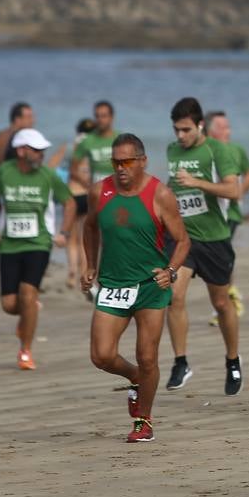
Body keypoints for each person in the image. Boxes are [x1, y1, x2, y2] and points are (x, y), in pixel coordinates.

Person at [82, 134, 188, 443]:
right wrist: (90, 265)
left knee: (148, 356)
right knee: (101, 356)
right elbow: (89, 227)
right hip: (113, 285)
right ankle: (136, 379)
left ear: (142, 161)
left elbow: (182, 240)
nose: (120, 168)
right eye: (115, 162)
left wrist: (171, 271)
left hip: (149, 286)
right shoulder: (99, 191)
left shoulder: (160, 194)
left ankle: (143, 419)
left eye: (127, 162)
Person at [165, 99, 242, 394]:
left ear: (200, 126)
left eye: (186, 130)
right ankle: (180, 362)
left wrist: (197, 182)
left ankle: (233, 360)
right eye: (176, 130)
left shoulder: (216, 150)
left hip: (214, 239)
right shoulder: (172, 150)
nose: (180, 136)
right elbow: (174, 189)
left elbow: (233, 190)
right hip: (183, 239)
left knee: (221, 303)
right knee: (174, 296)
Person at [0, 127, 75, 370]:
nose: (42, 155)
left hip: (39, 243)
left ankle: (25, 351)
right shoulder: (4, 172)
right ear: (21, 150)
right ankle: (29, 311)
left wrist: (64, 233)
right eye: (37, 150)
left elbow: (69, 202)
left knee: (28, 291)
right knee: (10, 305)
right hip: (9, 245)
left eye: (43, 150)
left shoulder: (47, 175)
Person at [207, 110, 249, 319]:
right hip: (208, 214)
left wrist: (240, 191)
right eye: (223, 127)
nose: (229, 131)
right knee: (216, 256)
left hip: (231, 213)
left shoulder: (236, 150)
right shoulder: (203, 150)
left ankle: (229, 298)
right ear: (210, 131)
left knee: (223, 254)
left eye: (228, 126)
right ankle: (225, 296)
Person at [64, 118, 96, 289]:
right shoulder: (94, 146)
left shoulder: (72, 147)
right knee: (87, 236)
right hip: (89, 194)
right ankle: (85, 270)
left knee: (72, 239)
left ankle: (71, 272)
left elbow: (69, 170)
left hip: (73, 193)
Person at [0, 102, 33, 166]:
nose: (32, 121)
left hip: (2, 174)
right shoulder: (26, 138)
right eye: (29, 117)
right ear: (18, 119)